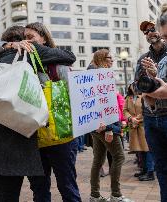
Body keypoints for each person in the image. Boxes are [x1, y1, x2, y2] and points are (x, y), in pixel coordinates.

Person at [0, 25, 77, 202]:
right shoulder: (28, 50)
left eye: (32, 36)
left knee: (2, 190)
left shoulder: (0, 56)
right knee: (20, 190)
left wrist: (6, 46)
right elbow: (70, 56)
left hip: (4, 126)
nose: (29, 40)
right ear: (20, 39)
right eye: (26, 36)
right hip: (25, 131)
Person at [88, 49, 132, 202]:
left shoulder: (92, 73)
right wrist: (110, 128)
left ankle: (94, 195)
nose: (112, 60)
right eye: (109, 58)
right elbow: (104, 104)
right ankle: (116, 195)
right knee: (119, 157)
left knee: (98, 160)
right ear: (101, 58)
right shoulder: (99, 74)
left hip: (96, 125)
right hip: (104, 125)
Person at [135, 12, 167, 201]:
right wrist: (146, 82)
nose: (149, 33)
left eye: (152, 29)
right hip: (150, 119)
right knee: (161, 169)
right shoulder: (143, 58)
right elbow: (136, 86)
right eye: (146, 31)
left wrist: (155, 77)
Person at [123, 83, 154, 181]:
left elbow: (147, 109)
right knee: (140, 150)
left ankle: (150, 172)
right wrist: (131, 119)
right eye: (132, 85)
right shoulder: (129, 98)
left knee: (147, 149)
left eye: (135, 85)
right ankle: (144, 169)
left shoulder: (144, 95)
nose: (134, 87)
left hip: (142, 126)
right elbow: (125, 110)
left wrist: (137, 119)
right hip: (133, 127)